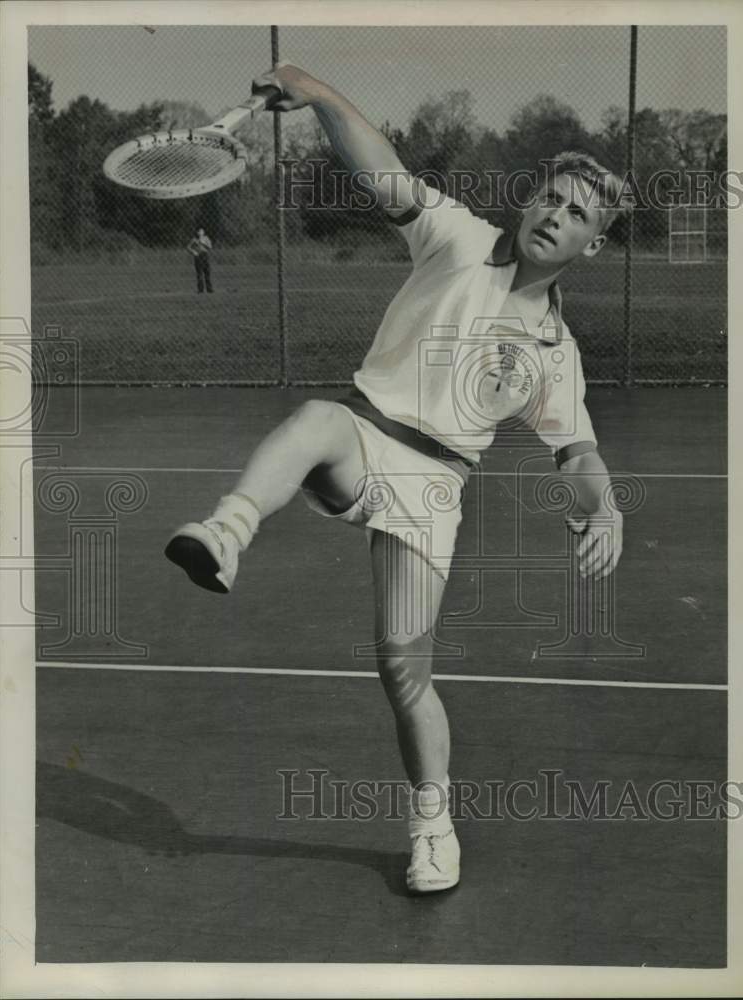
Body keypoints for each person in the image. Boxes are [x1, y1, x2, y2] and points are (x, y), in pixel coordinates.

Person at [165, 64, 629, 895]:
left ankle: (432, 827)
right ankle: (227, 534)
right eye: (551, 199)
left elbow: (579, 456)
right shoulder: (456, 236)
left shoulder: (557, 355)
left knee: (403, 669)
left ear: (591, 246)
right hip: (365, 433)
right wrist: (321, 95)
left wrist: (606, 509)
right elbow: (382, 171)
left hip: (434, 489)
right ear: (530, 204)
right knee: (315, 418)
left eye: (577, 215)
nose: (556, 216)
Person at [186, 227, 213, 293]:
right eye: (198, 231)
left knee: (207, 273)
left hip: (205, 256)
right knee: (199, 274)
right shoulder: (194, 239)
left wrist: (202, 242)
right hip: (198, 256)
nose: (199, 232)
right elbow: (188, 247)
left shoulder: (206, 238)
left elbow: (210, 247)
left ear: (203, 232)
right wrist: (193, 252)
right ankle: (200, 290)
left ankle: (209, 289)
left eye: (201, 231)